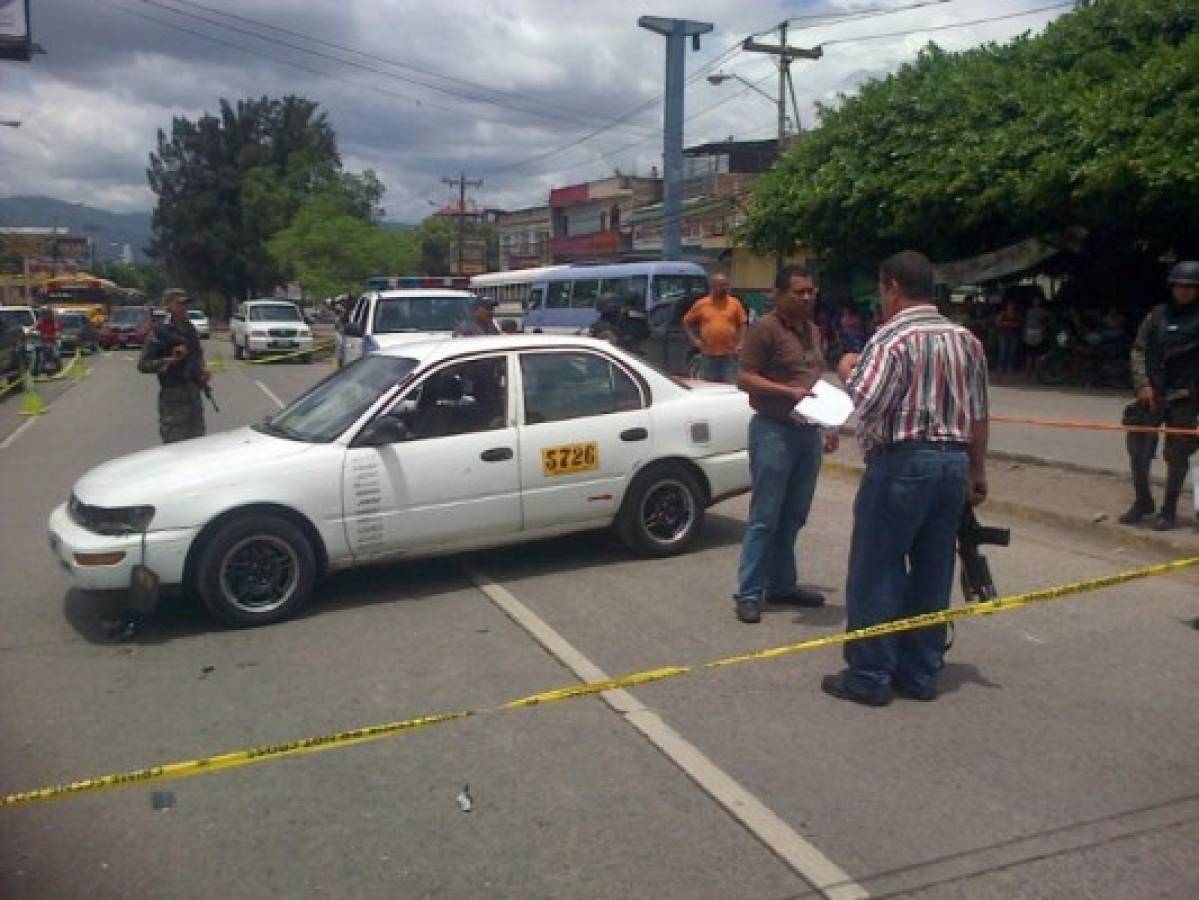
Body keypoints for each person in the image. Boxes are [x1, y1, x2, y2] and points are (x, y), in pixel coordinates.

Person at [824, 251, 990, 706]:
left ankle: (871, 675)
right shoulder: (965, 340)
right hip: (952, 466)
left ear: (893, 286)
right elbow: (978, 413)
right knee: (933, 571)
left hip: (902, 464)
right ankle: (919, 672)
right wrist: (977, 470)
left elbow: (866, 399)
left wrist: (845, 368)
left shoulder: (890, 338)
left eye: (881, 289)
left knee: (876, 568)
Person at [732, 264, 837, 624]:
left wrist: (830, 423)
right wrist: (786, 392)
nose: (807, 297)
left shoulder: (813, 331)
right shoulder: (765, 330)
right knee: (765, 516)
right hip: (773, 431)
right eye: (799, 292)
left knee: (793, 515)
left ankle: (781, 584)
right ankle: (749, 591)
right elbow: (744, 378)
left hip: (807, 434)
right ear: (779, 294)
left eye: (811, 291)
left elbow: (814, 381)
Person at [1119, 260, 1199, 530]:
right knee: (1137, 449)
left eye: (1190, 287)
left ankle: (1169, 510)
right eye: (1179, 286)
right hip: (1152, 394)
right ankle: (1143, 502)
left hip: (1185, 397)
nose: (1184, 291)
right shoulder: (1157, 315)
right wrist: (1142, 384)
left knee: (1177, 456)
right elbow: (1138, 349)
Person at [138, 294, 209, 444]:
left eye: (186, 304)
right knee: (174, 447)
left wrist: (203, 370)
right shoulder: (160, 331)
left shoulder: (189, 328)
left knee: (199, 445)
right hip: (173, 398)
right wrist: (170, 360)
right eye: (180, 304)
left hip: (193, 394)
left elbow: (197, 353)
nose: (184, 308)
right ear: (168, 305)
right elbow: (143, 365)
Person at [683, 273, 748, 383]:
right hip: (708, 355)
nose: (724, 288)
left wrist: (741, 343)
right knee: (709, 388)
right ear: (713, 286)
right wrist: (694, 340)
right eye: (721, 285)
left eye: (726, 285)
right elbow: (686, 321)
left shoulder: (734, 303)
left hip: (729, 355)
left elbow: (743, 323)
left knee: (730, 387)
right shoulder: (702, 303)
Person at [993, 298, 1023, 375]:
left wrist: (1012, 324)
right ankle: (1000, 367)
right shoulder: (1002, 313)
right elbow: (997, 323)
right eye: (1009, 305)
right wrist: (1005, 324)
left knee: (1012, 352)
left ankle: (1010, 367)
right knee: (1003, 352)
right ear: (1007, 306)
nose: (1011, 307)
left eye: (1012, 305)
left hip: (1014, 335)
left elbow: (1020, 323)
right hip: (1003, 335)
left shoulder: (1017, 314)